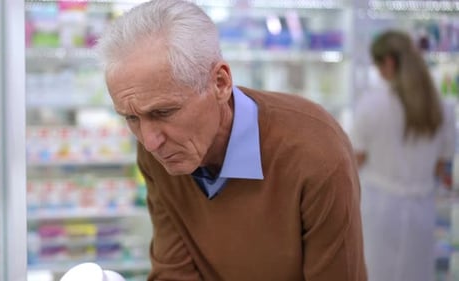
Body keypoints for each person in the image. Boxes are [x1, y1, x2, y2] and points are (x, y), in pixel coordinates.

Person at [96, 1, 367, 280]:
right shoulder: (160, 152)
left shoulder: (315, 152)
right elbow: (174, 271)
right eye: (131, 118)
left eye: (164, 112)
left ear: (220, 83)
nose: (150, 142)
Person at [350, 30, 456, 281]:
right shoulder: (441, 107)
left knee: (376, 272)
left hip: (378, 210)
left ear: (388, 62)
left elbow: (355, 161)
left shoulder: (372, 105)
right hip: (422, 210)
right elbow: (442, 167)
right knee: (416, 273)